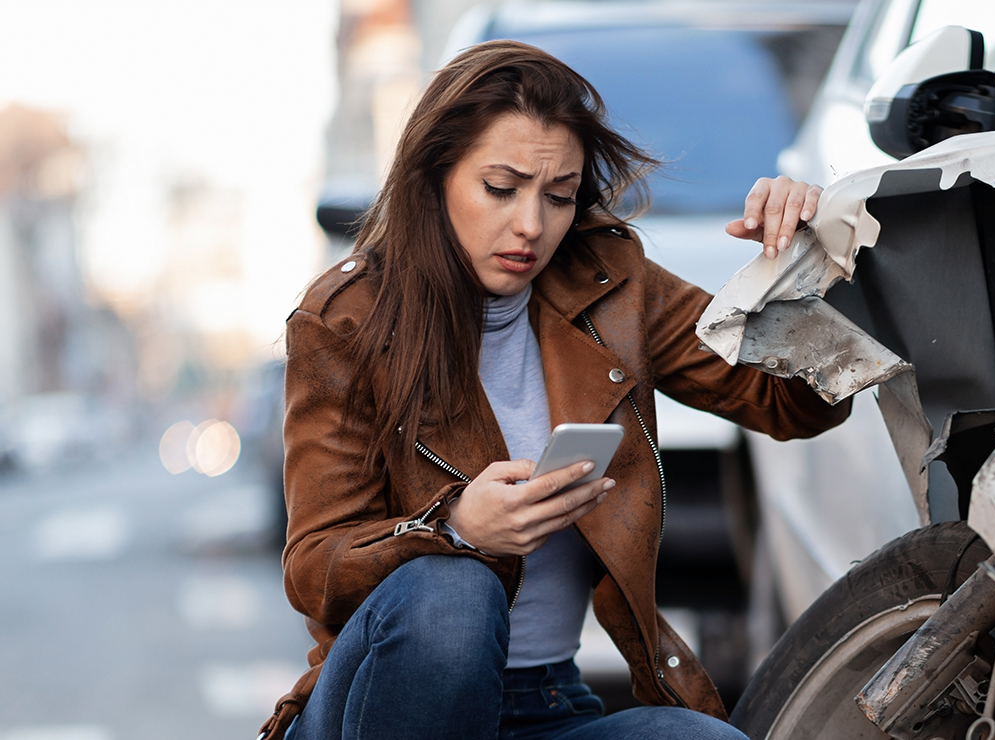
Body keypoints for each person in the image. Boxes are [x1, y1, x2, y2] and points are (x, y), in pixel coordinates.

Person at [258, 40, 850, 740]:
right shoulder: (346, 319)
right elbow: (313, 567)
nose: (532, 226)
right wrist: (454, 530)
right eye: (501, 190)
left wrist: (799, 267)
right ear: (435, 177)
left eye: (559, 196)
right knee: (454, 593)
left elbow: (795, 405)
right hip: (379, 707)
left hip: (546, 706)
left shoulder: (611, 285)